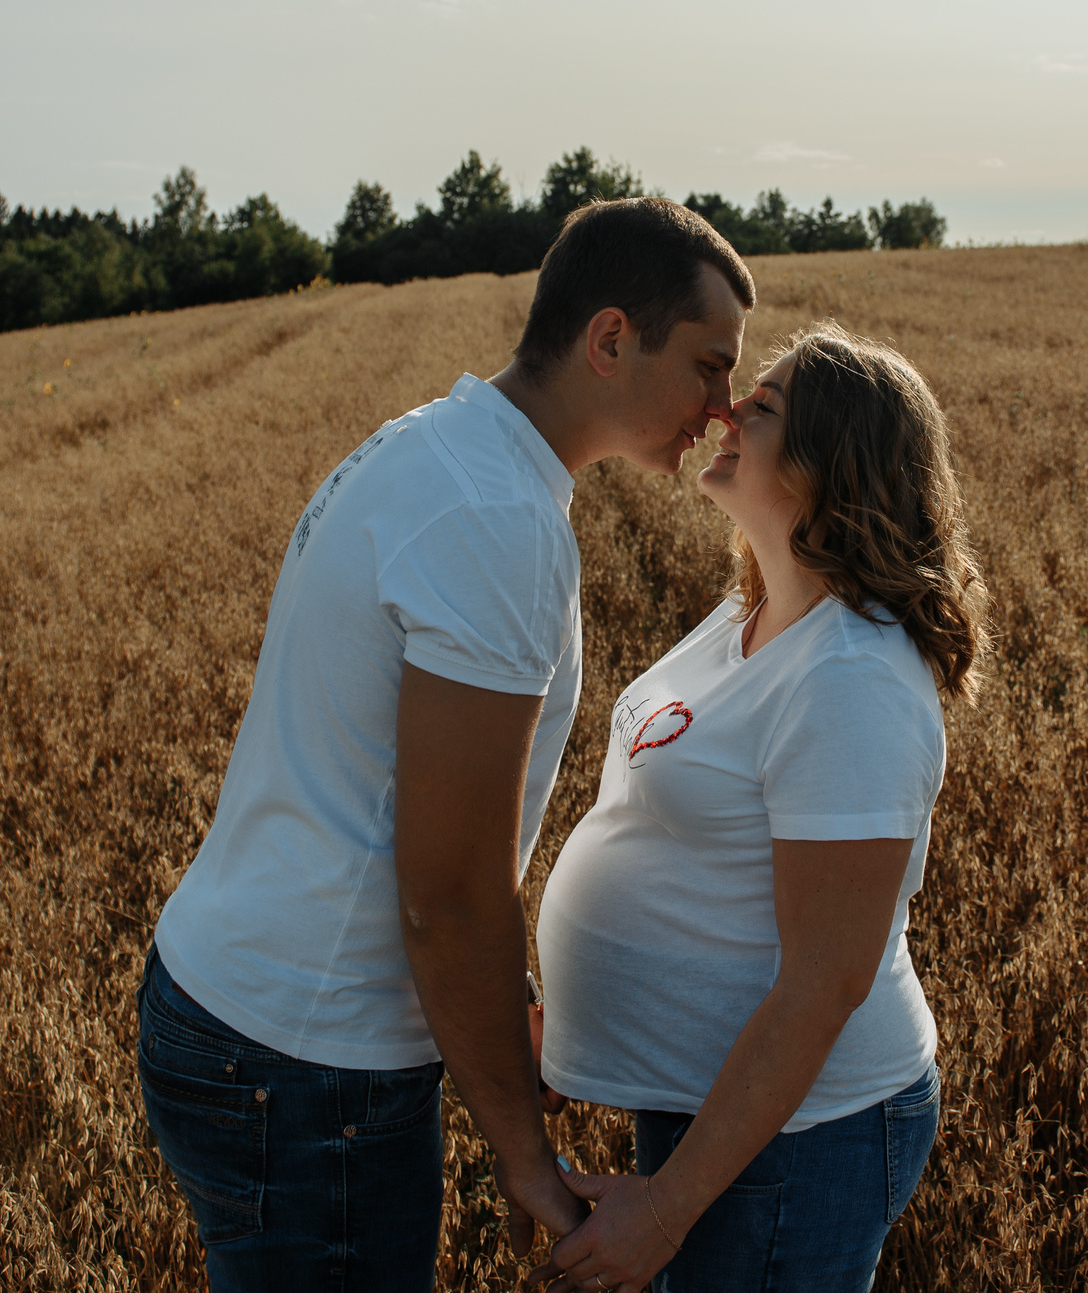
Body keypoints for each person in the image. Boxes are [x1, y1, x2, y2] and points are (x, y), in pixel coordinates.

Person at [137, 197, 754, 1290]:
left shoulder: (430, 443)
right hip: (307, 1062)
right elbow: (449, 890)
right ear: (609, 339)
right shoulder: (495, 521)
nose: (722, 407)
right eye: (709, 366)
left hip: (232, 1002)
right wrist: (525, 1154)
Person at [532, 324, 989, 1292]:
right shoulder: (753, 609)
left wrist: (665, 1205)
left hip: (797, 1137)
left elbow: (825, 981)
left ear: (834, 463)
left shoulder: (851, 679)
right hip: (716, 1110)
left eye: (766, 404)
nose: (727, 407)